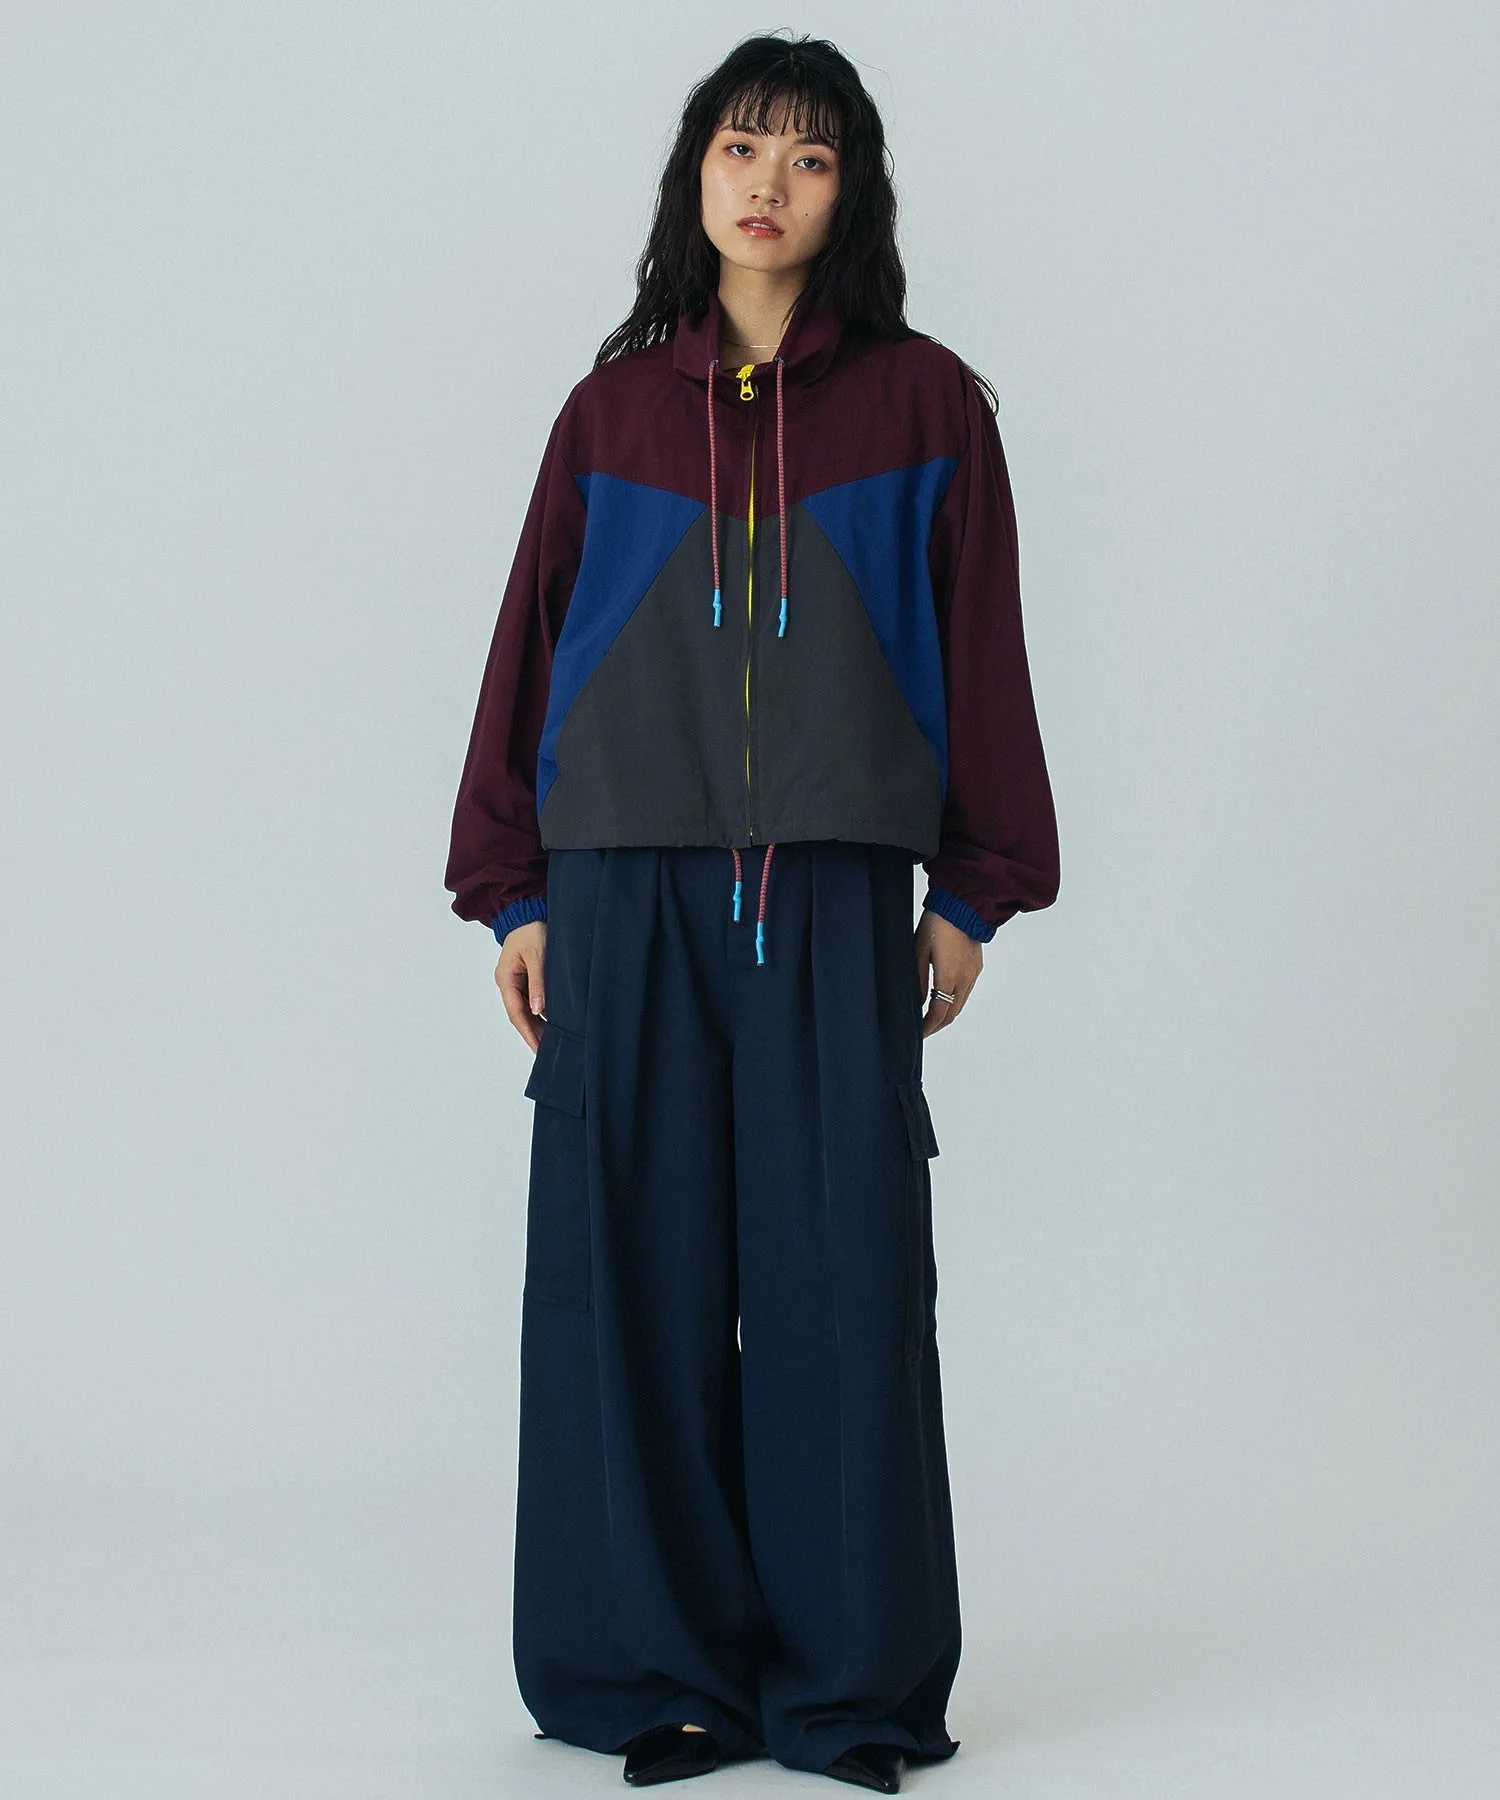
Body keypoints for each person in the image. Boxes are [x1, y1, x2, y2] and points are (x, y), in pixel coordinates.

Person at [444, 31, 1059, 1794]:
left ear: (851, 191)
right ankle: (659, 1675)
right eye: (739, 148)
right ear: (695, 177)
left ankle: (849, 1686)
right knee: (628, 1278)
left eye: (807, 155)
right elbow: (532, 646)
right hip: (624, 885)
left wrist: (977, 889)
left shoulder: (928, 407)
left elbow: (982, 653)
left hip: (839, 891)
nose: (767, 184)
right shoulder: (611, 414)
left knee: (841, 1279)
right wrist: (513, 888)